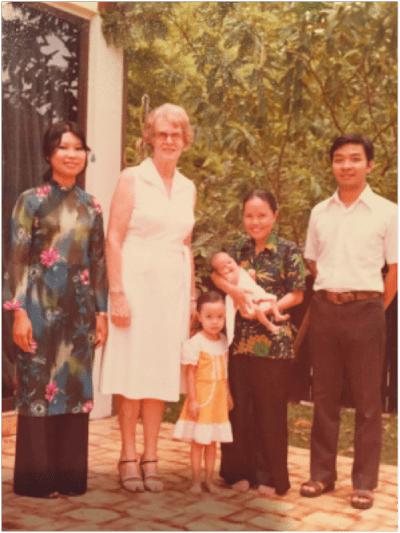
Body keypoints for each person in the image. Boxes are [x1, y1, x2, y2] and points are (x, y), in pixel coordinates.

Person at [2, 121, 108, 498]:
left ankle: (69, 479)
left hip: (78, 314)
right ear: (49, 155)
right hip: (37, 310)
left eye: (78, 147)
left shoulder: (91, 205)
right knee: (36, 389)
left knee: (74, 389)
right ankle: (36, 481)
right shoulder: (31, 200)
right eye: (63, 147)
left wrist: (101, 313)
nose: (72, 154)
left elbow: (97, 262)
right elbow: (16, 259)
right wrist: (18, 312)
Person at [100, 103, 197, 493]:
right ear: (149, 138)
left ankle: (151, 456)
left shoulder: (188, 186)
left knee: (158, 373)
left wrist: (190, 298)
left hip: (171, 292)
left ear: (185, 140)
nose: (169, 140)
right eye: (162, 133)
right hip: (135, 286)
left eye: (176, 134)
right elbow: (113, 238)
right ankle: (126, 455)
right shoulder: (132, 178)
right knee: (131, 370)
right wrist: (117, 293)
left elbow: (186, 245)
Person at [301, 134, 398, 510]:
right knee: (323, 395)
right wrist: (334, 296)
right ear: (332, 165)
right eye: (339, 159)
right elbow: (314, 262)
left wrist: (371, 304)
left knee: (368, 401)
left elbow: (394, 269)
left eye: (355, 159)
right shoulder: (318, 212)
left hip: (367, 312)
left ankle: (364, 482)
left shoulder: (388, 212)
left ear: (369, 165)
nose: (346, 165)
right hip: (325, 310)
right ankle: (322, 474)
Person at [212, 189, 305, 496]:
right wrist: (236, 293)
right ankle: (236, 472)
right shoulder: (237, 249)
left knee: (270, 409)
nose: (255, 222)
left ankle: (268, 476)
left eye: (262, 215)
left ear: (275, 216)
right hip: (240, 343)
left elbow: (298, 294)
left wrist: (270, 306)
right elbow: (216, 277)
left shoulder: (288, 250)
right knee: (239, 408)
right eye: (249, 216)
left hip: (273, 343)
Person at [173, 291, 233, 494]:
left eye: (220, 317)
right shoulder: (195, 343)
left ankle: (209, 479)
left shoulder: (224, 341)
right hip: (201, 397)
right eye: (209, 317)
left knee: (212, 441)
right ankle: (196, 481)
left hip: (217, 398)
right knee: (199, 441)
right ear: (199, 316)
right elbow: (190, 374)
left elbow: (225, 372)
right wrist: (192, 399)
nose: (215, 322)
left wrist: (228, 393)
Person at [211, 251, 289, 341]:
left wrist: (250, 276)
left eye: (229, 262)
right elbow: (235, 282)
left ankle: (277, 315)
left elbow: (245, 281)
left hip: (253, 295)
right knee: (258, 310)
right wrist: (236, 268)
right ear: (219, 272)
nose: (228, 266)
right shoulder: (228, 276)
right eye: (223, 267)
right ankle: (270, 325)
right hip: (246, 300)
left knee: (271, 299)